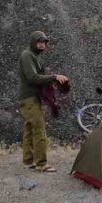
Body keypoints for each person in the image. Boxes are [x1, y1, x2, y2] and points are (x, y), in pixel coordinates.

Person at [18, 31, 68, 172]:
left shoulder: (36, 57)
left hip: (32, 97)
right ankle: (41, 164)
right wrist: (54, 77)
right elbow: (33, 77)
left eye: (44, 42)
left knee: (29, 129)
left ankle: (28, 161)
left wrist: (51, 84)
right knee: (39, 129)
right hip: (29, 98)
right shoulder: (27, 55)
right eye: (39, 41)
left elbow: (39, 78)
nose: (42, 44)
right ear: (33, 42)